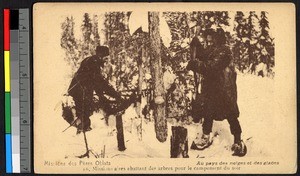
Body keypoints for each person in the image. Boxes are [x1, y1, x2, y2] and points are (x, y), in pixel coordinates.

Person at [187, 28, 247, 157]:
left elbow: (212, 67)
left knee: (231, 115)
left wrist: (195, 65)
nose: (208, 43)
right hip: (213, 89)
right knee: (208, 112)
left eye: (210, 41)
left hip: (224, 90)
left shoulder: (224, 51)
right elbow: (203, 55)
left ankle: (238, 140)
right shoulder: (214, 50)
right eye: (207, 41)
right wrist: (196, 45)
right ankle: (206, 137)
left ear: (216, 40)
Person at [66, 46, 133, 134]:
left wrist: (105, 94)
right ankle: (82, 135)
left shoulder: (91, 61)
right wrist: (115, 95)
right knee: (84, 114)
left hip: (79, 90)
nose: (106, 60)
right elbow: (100, 83)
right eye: (106, 57)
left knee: (85, 114)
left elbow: (98, 83)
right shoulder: (93, 63)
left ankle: (82, 131)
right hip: (80, 92)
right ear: (100, 55)